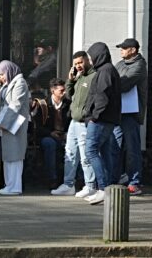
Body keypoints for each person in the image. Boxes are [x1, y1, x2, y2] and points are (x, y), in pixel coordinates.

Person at [51, 51, 97, 198]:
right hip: (74, 122)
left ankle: (90, 185)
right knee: (69, 153)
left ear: (87, 61)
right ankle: (68, 184)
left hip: (84, 122)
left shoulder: (93, 76)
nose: (78, 66)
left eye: (80, 62)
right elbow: (70, 96)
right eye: (76, 64)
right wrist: (70, 80)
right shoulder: (79, 77)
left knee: (85, 156)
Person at [83, 42, 121, 205]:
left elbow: (102, 96)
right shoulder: (108, 69)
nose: (90, 61)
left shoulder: (105, 71)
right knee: (105, 152)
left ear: (98, 56)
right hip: (107, 119)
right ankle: (108, 189)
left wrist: (94, 116)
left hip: (101, 119)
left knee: (90, 150)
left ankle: (103, 188)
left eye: (91, 57)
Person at [112, 38, 148, 195]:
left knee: (133, 148)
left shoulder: (139, 65)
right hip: (119, 112)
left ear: (133, 50)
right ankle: (117, 177)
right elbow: (112, 80)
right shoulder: (120, 64)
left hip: (131, 114)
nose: (121, 50)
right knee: (116, 145)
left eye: (124, 48)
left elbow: (123, 84)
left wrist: (110, 84)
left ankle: (135, 182)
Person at [0, 60, 30, 195]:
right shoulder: (9, 83)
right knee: (9, 154)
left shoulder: (20, 83)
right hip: (8, 122)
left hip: (15, 123)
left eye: (2, 73)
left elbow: (15, 105)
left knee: (15, 154)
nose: (1, 77)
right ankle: (9, 185)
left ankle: (15, 186)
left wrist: (4, 123)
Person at [34, 78, 71, 189]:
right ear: (52, 90)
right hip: (48, 136)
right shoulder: (43, 105)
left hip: (65, 135)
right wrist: (50, 133)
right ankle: (52, 178)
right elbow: (38, 127)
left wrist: (66, 134)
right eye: (61, 90)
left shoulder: (69, 104)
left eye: (64, 90)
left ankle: (74, 179)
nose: (64, 93)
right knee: (50, 144)